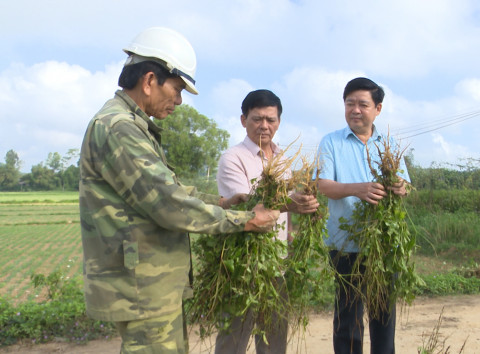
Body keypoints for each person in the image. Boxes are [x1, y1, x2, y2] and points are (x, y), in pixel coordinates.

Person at [79, 27, 279, 354]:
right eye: (176, 88)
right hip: (141, 285)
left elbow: (168, 188)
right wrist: (245, 220)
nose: (179, 100)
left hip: (151, 283)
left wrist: (223, 201)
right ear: (148, 81)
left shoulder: (131, 126)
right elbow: (168, 204)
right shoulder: (119, 128)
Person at [214, 89, 319, 354]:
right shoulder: (233, 158)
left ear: (279, 122)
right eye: (257, 118)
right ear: (243, 120)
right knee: (233, 339)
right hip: (243, 265)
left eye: (270, 119)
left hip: (277, 264)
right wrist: (290, 203)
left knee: (274, 341)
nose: (264, 125)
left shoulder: (283, 158)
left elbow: (287, 209)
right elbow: (248, 207)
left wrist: (293, 230)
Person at [316, 77, 410, 354]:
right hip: (344, 244)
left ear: (377, 109)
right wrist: (357, 189)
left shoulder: (390, 144)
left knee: (383, 314)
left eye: (362, 104)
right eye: (349, 104)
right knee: (348, 317)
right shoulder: (330, 142)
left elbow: (405, 186)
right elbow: (322, 185)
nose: (355, 110)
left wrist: (400, 188)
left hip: (383, 246)